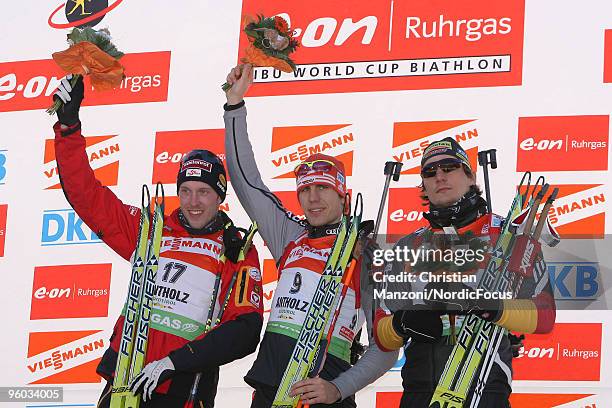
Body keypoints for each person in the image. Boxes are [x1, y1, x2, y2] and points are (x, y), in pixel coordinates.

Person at [52, 75, 263, 407]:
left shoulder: (236, 249)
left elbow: (245, 329)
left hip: (183, 385)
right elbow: (86, 196)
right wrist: (68, 128)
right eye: (186, 191)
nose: (194, 201)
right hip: (126, 377)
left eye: (204, 192)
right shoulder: (150, 230)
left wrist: (176, 362)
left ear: (220, 196)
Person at [223, 64, 398, 408]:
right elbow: (247, 182)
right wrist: (234, 106)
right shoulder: (291, 235)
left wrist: (339, 388)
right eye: (305, 190)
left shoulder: (365, 252)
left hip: (326, 395)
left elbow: (386, 348)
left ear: (343, 195)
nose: (313, 197)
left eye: (323, 188)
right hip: (272, 392)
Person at [372, 137, 557, 408]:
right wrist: (403, 321)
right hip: (419, 392)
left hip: (484, 388)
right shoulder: (408, 246)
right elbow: (381, 334)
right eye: (430, 172)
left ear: (470, 176)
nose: (440, 177)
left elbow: (545, 315)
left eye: (449, 167)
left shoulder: (508, 236)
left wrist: (494, 309)